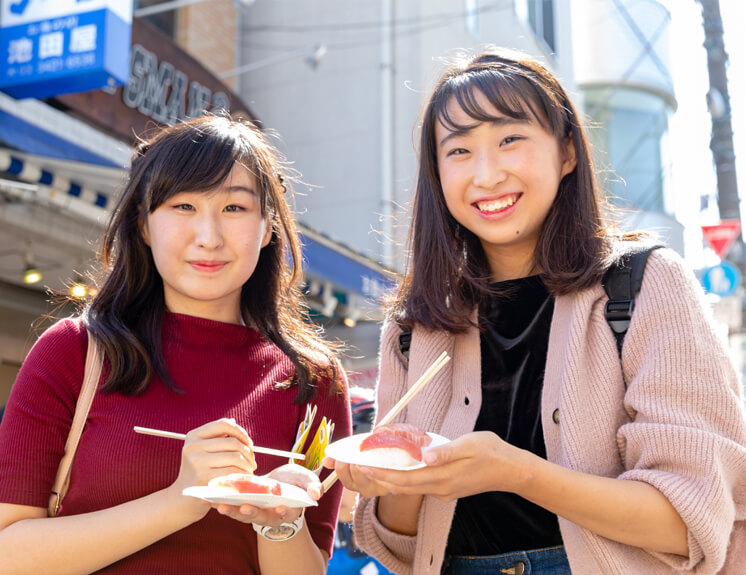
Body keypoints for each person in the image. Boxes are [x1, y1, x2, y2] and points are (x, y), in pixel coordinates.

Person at [325, 47, 746, 575]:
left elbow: (690, 521)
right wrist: (392, 484)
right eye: (458, 151)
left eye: (509, 139)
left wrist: (516, 473)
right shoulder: (416, 322)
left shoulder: (643, 284)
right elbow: (403, 548)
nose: (487, 174)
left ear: (567, 152)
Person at [0, 115, 351, 574]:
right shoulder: (73, 352)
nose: (208, 238)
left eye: (235, 209)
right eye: (183, 206)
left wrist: (279, 523)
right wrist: (178, 502)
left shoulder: (313, 380)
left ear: (268, 229)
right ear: (144, 226)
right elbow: (9, 554)